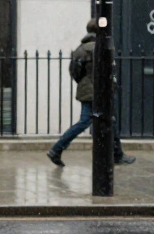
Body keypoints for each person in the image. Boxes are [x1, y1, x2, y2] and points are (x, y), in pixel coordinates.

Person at [47, 18, 137, 167]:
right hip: (101, 91)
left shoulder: (80, 49)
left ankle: (57, 150)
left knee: (90, 121)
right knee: (104, 121)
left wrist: (85, 84)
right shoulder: (103, 48)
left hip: (87, 91)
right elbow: (111, 71)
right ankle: (117, 155)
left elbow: (74, 72)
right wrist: (113, 85)